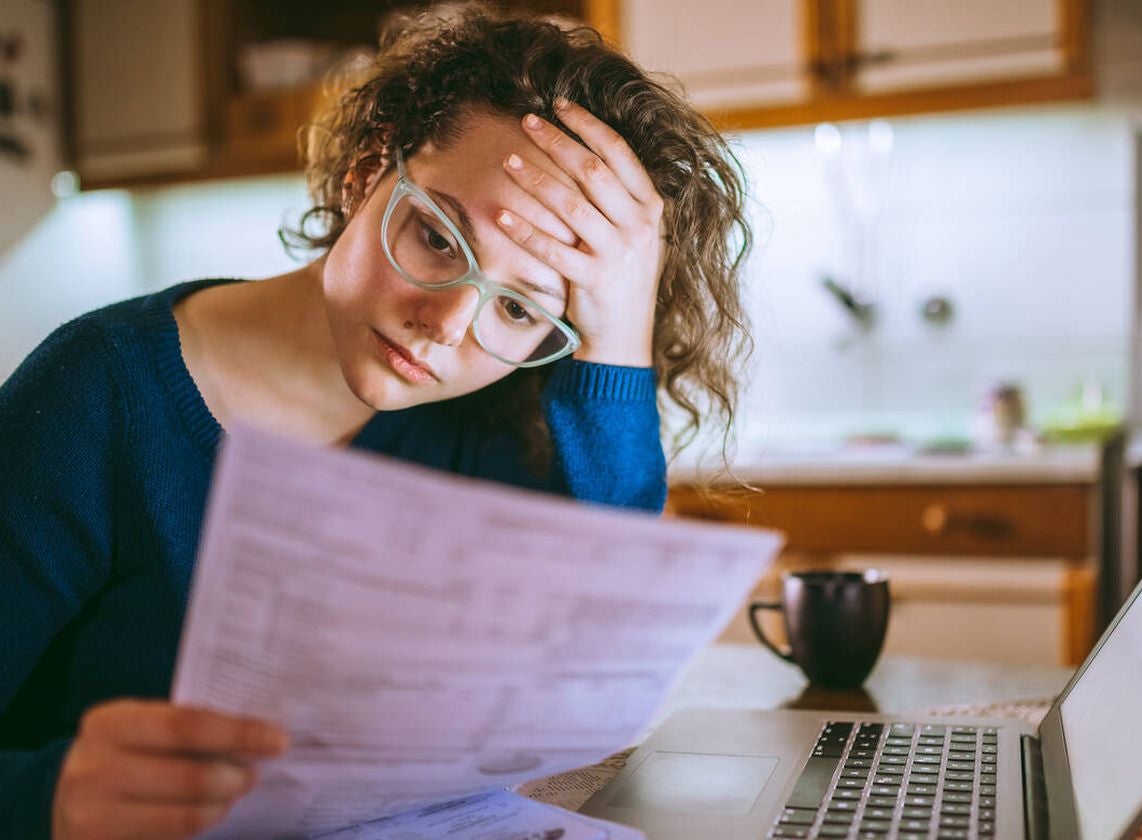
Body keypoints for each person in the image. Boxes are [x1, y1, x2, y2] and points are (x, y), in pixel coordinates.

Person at [0, 3, 752, 838]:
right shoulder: (97, 392)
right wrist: (50, 797)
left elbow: (601, 652)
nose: (446, 327)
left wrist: (615, 339)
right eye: (435, 237)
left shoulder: (492, 423)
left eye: (516, 310)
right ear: (365, 173)